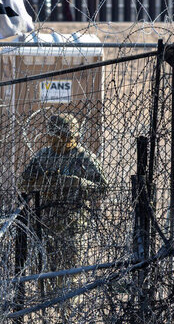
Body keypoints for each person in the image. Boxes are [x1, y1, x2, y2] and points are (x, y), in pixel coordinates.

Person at [19, 113, 107, 316]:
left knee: (70, 278)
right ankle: (49, 317)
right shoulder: (44, 156)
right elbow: (23, 183)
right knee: (47, 276)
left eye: (64, 136)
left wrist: (78, 183)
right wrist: (44, 182)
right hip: (46, 225)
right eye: (55, 135)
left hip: (73, 226)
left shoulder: (83, 158)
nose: (59, 140)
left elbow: (103, 188)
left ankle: (70, 316)